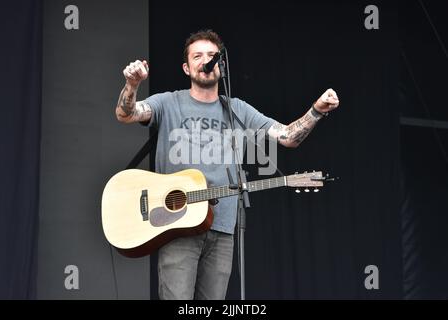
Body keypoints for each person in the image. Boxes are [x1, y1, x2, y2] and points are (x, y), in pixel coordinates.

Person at [114, 29, 339, 300]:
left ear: (221, 65)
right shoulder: (168, 102)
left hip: (221, 229)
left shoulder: (237, 109)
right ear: (186, 67)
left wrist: (316, 111)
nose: (205, 61)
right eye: (197, 56)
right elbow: (126, 114)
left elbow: (288, 137)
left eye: (212, 56)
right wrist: (132, 85)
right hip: (175, 226)